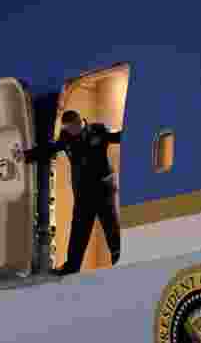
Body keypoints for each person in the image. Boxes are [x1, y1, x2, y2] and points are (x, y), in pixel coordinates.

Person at [12, 110, 122, 275]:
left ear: (79, 123)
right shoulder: (66, 137)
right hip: (83, 194)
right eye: (66, 129)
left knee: (110, 224)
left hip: (102, 189)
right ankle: (71, 267)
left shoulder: (98, 129)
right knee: (78, 231)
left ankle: (118, 257)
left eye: (71, 129)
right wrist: (25, 155)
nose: (69, 133)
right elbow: (49, 149)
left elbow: (117, 136)